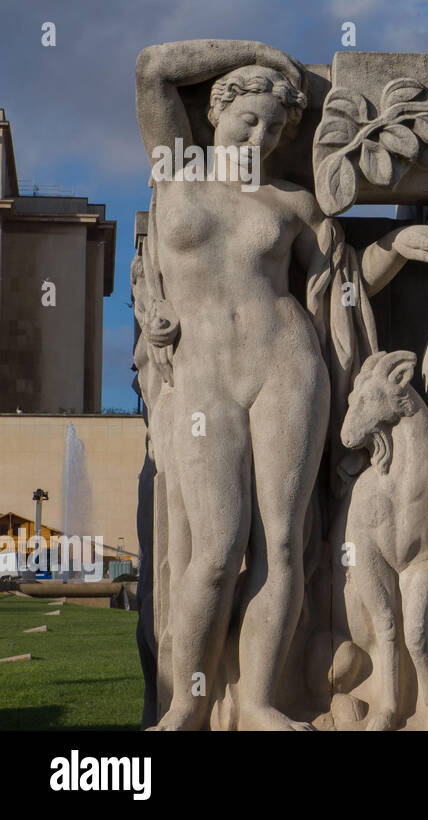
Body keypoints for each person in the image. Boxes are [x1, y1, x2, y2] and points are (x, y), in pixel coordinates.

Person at [135, 40, 331, 730]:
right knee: (215, 552)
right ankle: (187, 701)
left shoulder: (293, 202)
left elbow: (341, 291)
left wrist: (405, 247)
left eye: (277, 128)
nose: (263, 135)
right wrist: (259, 54)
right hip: (201, 376)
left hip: (284, 364)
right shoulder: (175, 174)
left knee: (282, 543)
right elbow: (153, 68)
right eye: (251, 119)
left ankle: (258, 701)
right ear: (217, 110)